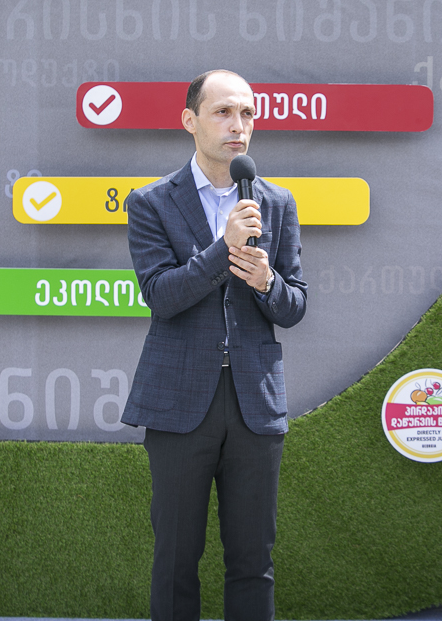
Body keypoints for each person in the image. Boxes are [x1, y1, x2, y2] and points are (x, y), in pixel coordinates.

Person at [121, 69, 308, 621]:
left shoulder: (276, 202)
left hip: (255, 403)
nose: (238, 125)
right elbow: (161, 296)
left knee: (254, 561)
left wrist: (267, 282)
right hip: (179, 403)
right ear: (190, 120)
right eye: (223, 112)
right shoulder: (151, 202)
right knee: (176, 559)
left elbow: (295, 305)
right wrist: (222, 250)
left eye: (247, 113)